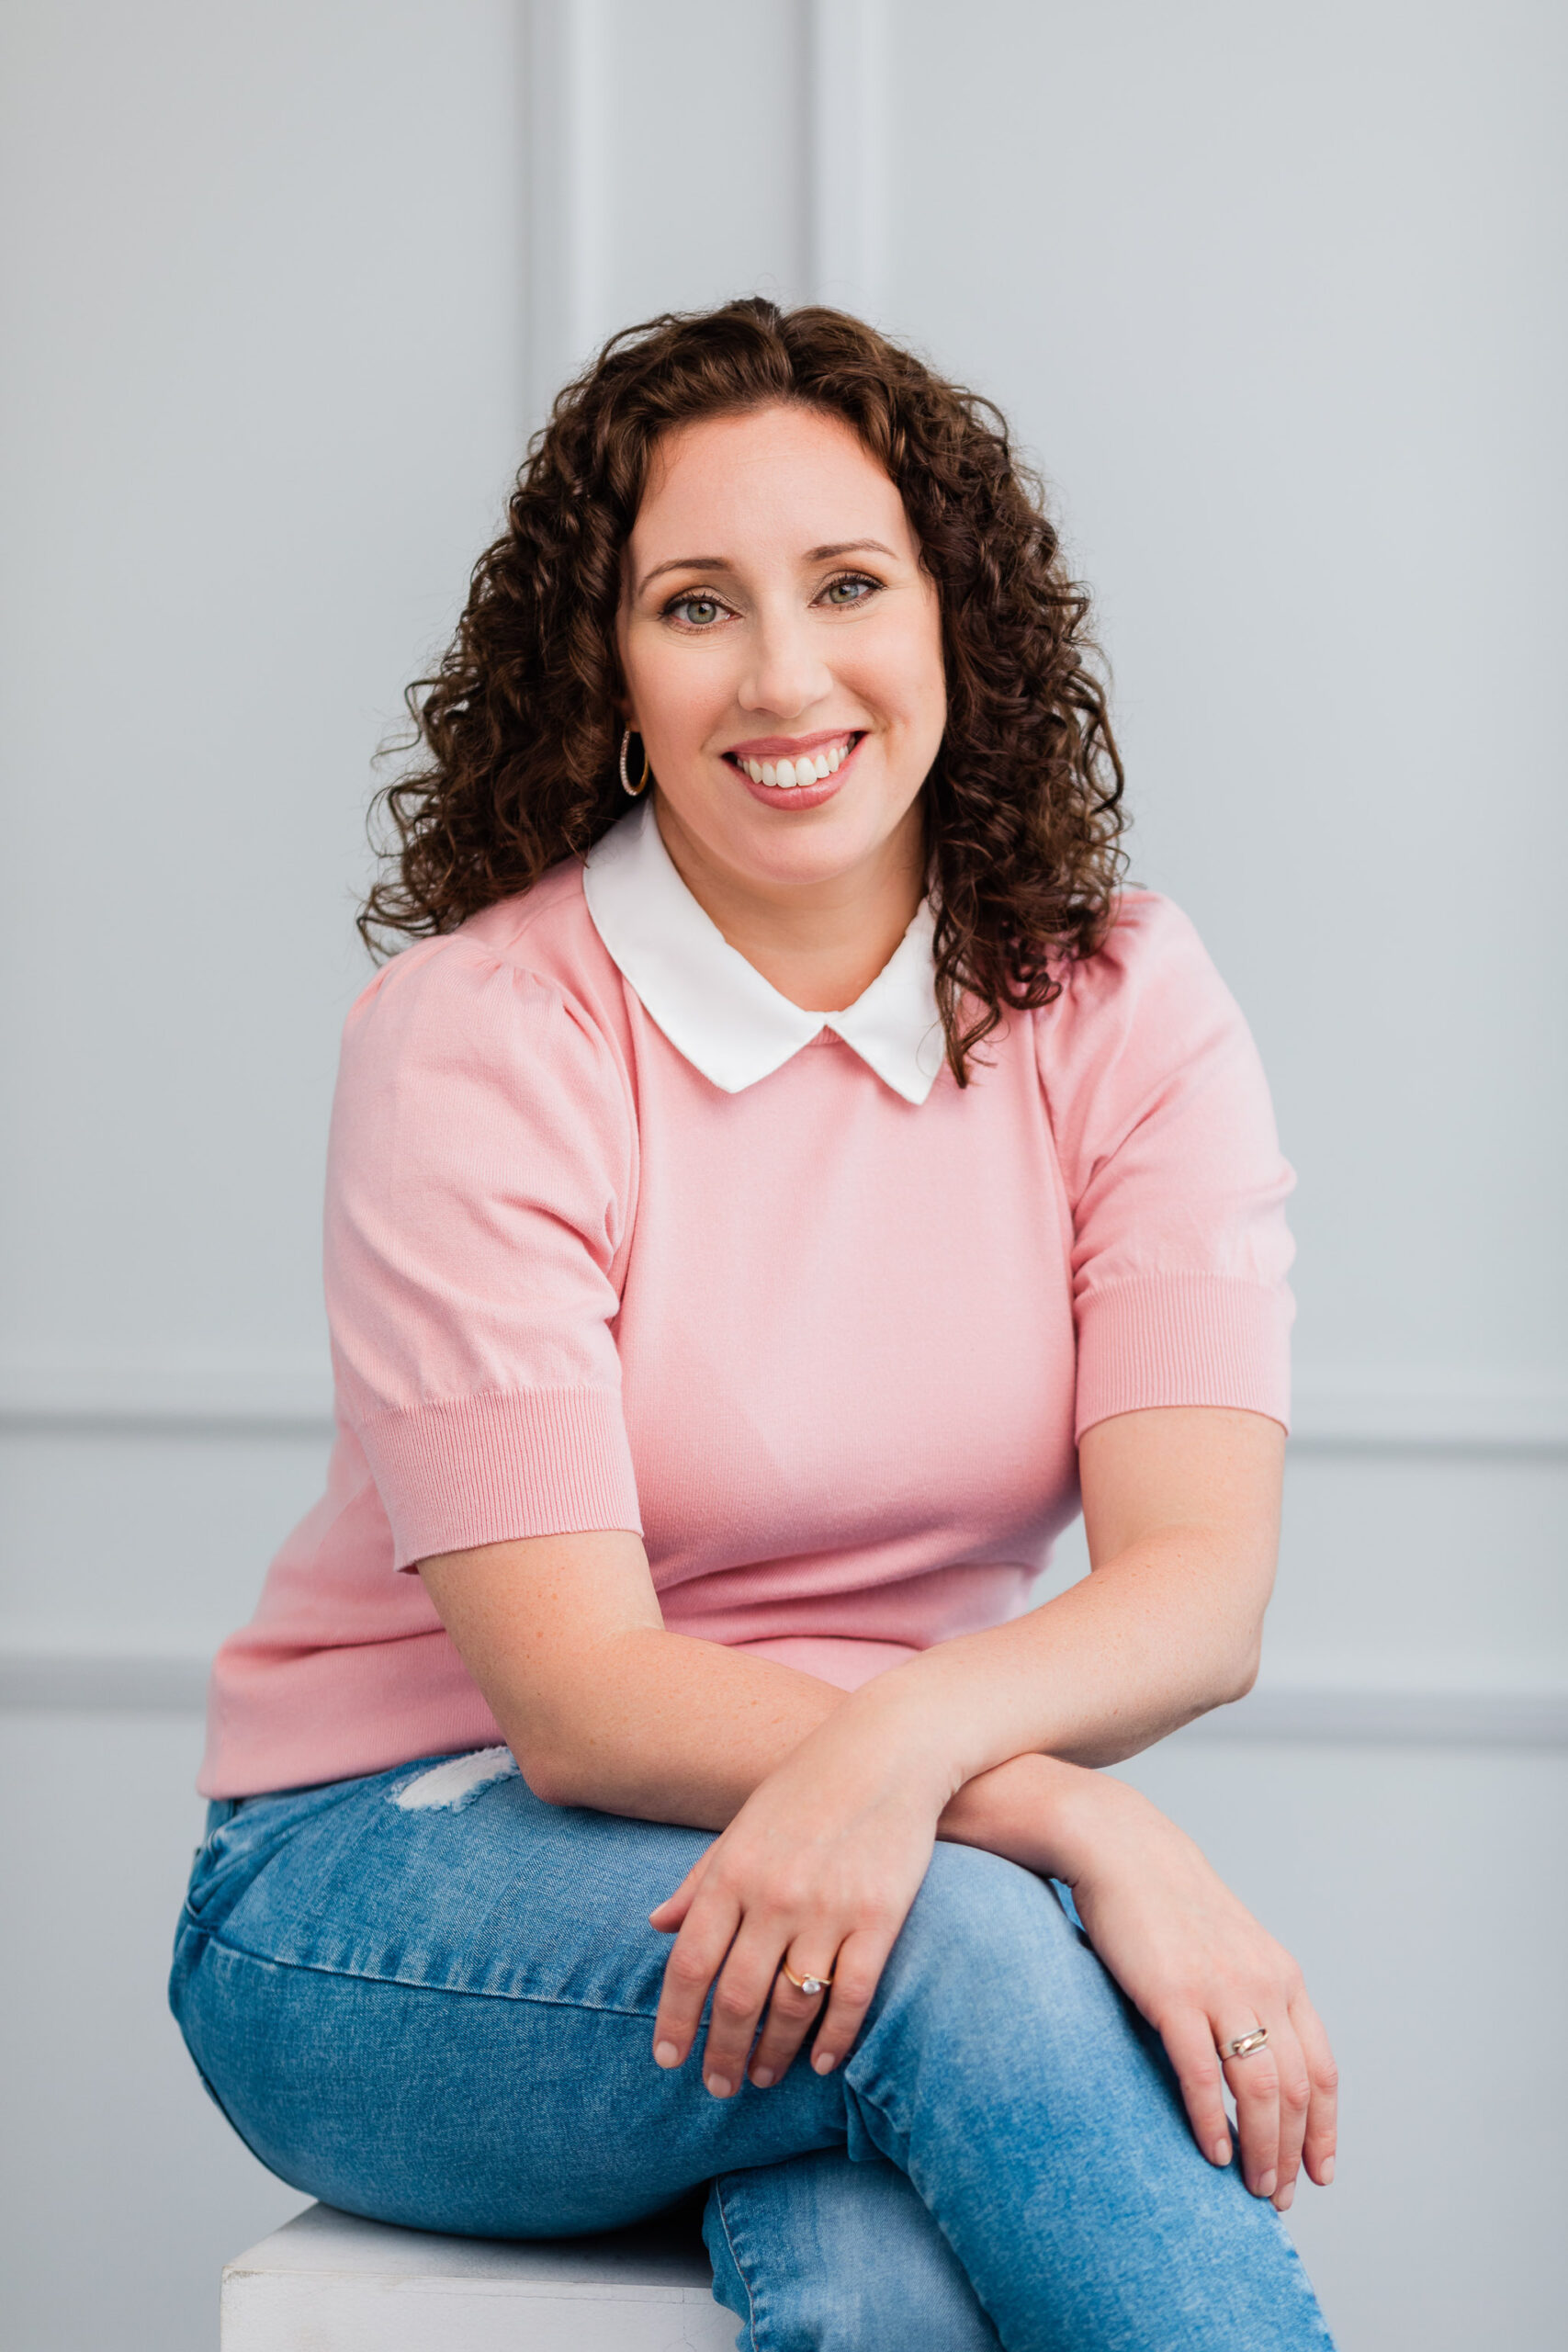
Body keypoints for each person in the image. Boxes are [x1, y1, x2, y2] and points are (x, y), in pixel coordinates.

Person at [172, 299, 1338, 2350]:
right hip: (375, 1885)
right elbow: (583, 1693)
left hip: (869, 1846)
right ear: (605, 668)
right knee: (968, 1951)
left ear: (953, 619)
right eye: (696, 602)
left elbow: (1194, 1587)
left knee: (888, 2268)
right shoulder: (480, 1036)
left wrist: (898, 1759)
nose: (784, 674)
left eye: (847, 584)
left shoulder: (1121, 1001)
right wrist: (1059, 1804)